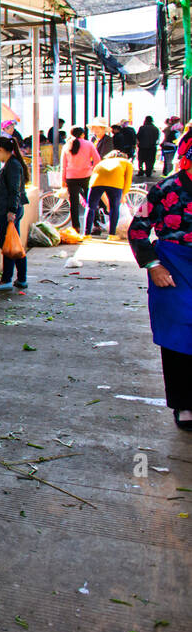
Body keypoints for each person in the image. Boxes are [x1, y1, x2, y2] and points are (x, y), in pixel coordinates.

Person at [127, 129, 192, 430]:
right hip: (172, 270)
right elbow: (138, 229)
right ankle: (184, 404)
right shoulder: (165, 189)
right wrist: (153, 265)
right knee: (178, 338)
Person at [0, 137, 30, 291]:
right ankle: (21, 279)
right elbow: (7, 188)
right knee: (14, 245)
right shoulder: (11, 164)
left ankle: (7, 280)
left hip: (7, 210)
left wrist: (11, 211)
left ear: (1, 150)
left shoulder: (12, 166)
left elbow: (14, 191)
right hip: (8, 208)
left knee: (8, 245)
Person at [85, 149, 134, 237]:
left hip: (95, 183)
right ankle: (112, 235)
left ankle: (86, 234)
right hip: (115, 184)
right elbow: (128, 181)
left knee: (90, 207)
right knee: (114, 208)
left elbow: (99, 188)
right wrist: (124, 194)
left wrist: (106, 203)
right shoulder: (127, 163)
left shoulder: (102, 163)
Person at [61, 126, 101, 231]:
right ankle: (96, 225)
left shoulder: (66, 146)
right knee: (92, 201)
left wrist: (63, 181)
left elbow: (63, 166)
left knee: (73, 204)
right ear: (83, 134)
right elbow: (97, 160)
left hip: (71, 178)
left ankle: (76, 227)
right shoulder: (89, 144)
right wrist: (92, 170)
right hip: (87, 176)